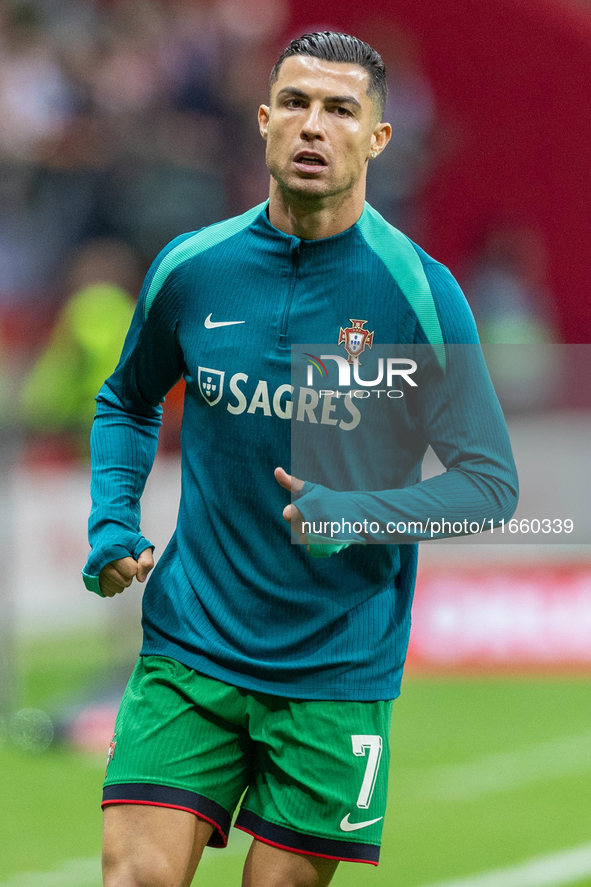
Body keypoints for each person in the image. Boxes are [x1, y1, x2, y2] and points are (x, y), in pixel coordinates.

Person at [82, 32, 518, 887]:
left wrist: (355, 510)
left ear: (377, 138)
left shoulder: (417, 292)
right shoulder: (195, 268)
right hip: (191, 643)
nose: (313, 126)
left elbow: (489, 484)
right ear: (263, 120)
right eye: (295, 103)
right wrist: (110, 522)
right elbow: (126, 398)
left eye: (340, 109)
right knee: (134, 878)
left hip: (336, 664)